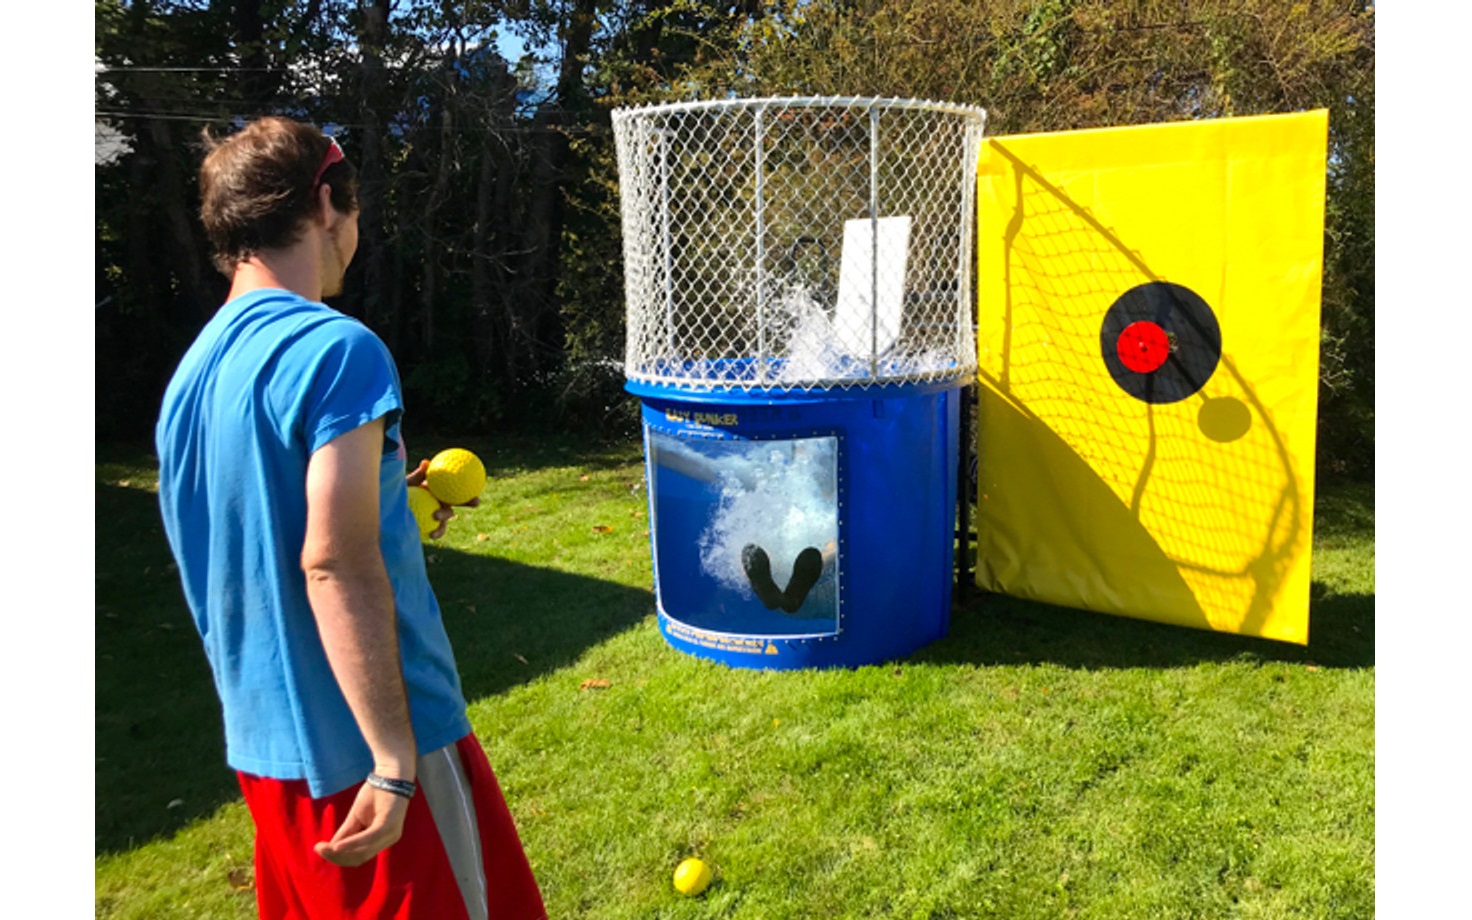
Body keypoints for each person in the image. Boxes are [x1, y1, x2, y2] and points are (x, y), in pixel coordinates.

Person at [154, 116, 546, 920]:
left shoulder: (190, 379)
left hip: (267, 761)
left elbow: (257, 525)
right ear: (326, 204)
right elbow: (330, 560)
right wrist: (395, 759)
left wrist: (396, 497)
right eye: (355, 207)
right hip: (370, 761)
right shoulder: (338, 350)